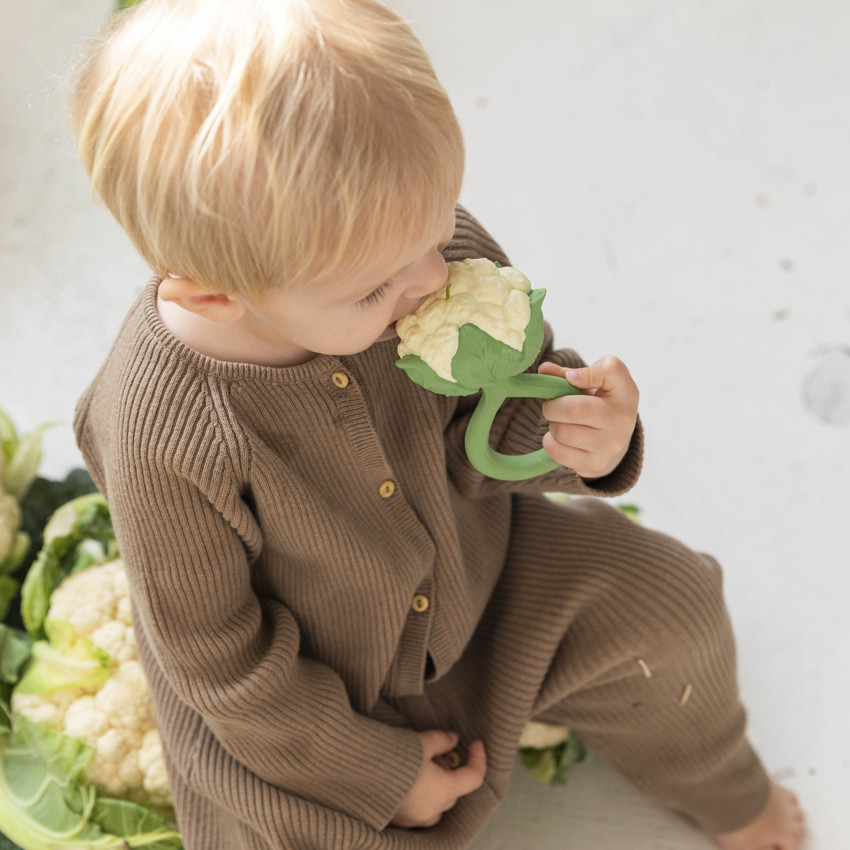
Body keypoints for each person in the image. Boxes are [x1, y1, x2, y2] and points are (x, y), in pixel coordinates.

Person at [69, 0, 805, 848]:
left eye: (437, 226)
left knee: (671, 604)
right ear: (213, 295)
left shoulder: (414, 249)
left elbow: (500, 397)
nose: (432, 278)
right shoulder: (159, 435)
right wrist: (372, 770)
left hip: (484, 570)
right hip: (315, 691)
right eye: (374, 289)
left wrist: (576, 437)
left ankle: (725, 792)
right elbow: (221, 663)